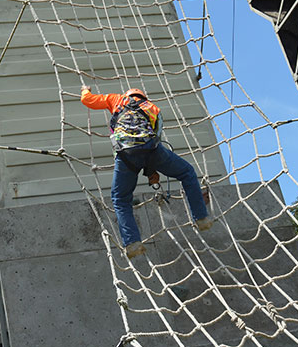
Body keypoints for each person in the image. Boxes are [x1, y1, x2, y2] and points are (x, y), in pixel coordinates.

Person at [81, 85, 214, 258]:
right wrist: (152, 170)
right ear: (143, 97)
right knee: (187, 172)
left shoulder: (116, 99)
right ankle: (201, 218)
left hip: (125, 154)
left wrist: (85, 90)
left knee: (120, 199)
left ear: (127, 95)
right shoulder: (153, 108)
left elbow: (88, 100)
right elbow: (155, 137)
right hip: (152, 151)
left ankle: (132, 243)